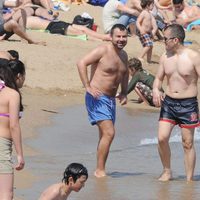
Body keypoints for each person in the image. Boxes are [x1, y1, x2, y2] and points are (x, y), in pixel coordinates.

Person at [77, 24, 129, 178]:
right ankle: (100, 171)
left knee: (104, 135)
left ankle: (100, 169)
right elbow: (81, 63)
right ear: (111, 37)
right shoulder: (103, 50)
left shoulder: (124, 55)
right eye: (118, 36)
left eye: (124, 36)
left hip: (111, 100)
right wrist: (87, 86)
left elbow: (125, 74)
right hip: (97, 97)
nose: (121, 39)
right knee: (109, 133)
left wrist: (125, 92)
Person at [153, 24, 200, 181]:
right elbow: (158, 79)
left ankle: (189, 181)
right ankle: (167, 171)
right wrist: (155, 90)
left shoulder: (194, 57)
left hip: (188, 105)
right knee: (162, 137)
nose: (163, 41)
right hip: (169, 103)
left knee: (187, 143)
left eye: (165, 39)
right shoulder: (165, 57)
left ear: (175, 40)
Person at [0, 59, 25, 200]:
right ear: (19, 76)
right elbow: (14, 125)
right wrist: (20, 154)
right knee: (6, 193)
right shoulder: (12, 94)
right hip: (2, 146)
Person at [26, 16, 111, 41]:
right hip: (52, 26)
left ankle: (104, 37)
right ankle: (102, 40)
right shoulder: (21, 21)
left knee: (82, 29)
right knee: (81, 33)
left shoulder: (24, 17)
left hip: (56, 23)